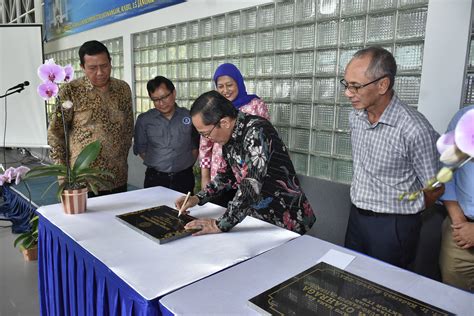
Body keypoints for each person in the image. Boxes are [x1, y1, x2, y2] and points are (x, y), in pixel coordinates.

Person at [341, 46, 443, 269]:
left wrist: (405, 212)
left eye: (355, 86)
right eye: (346, 84)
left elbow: (435, 186)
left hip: (394, 226)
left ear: (383, 85)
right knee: (349, 281)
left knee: (385, 294)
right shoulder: (355, 117)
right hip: (357, 218)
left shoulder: (414, 129)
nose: (348, 93)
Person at [175, 91, 316, 236]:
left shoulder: (257, 131)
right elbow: (226, 176)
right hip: (258, 219)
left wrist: (219, 224)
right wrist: (198, 198)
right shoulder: (230, 136)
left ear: (224, 122)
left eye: (206, 133)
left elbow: (251, 184)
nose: (207, 139)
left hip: (285, 217)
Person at [48, 40, 133, 197]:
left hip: (117, 177)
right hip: (83, 180)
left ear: (110, 63)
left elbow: (128, 128)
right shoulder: (70, 91)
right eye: (93, 68)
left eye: (104, 65)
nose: (100, 72)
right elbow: (56, 133)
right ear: (82, 67)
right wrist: (62, 175)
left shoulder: (123, 89)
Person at [199, 63, 269, 206]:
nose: (225, 90)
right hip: (220, 177)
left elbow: (265, 140)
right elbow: (205, 146)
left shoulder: (255, 105)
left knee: (246, 217)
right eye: (220, 86)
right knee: (219, 213)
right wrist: (205, 177)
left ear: (238, 82)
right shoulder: (212, 108)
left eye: (229, 85)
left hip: (250, 175)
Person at [133, 76, 199, 194]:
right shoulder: (144, 120)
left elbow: (195, 148)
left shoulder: (189, 117)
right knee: (153, 211)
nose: (161, 103)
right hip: (155, 178)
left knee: (184, 211)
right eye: (156, 99)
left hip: (184, 178)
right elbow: (141, 150)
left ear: (173, 93)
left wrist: (182, 164)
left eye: (164, 97)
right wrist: (161, 163)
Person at [439, 105, 474, 292]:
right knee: (453, 298)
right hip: (459, 232)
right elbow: (445, 168)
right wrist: (458, 221)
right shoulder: (465, 117)